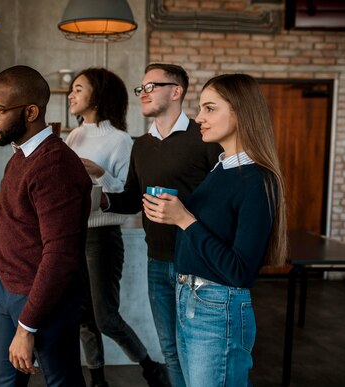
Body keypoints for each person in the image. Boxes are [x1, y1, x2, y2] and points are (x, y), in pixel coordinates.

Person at [142, 73, 287, 386]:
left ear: (239, 111)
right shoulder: (222, 168)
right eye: (200, 109)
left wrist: (184, 219)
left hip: (217, 309)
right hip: (193, 300)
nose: (199, 118)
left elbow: (240, 272)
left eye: (209, 109)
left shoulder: (257, 179)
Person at [103, 63, 222, 387]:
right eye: (140, 88)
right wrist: (101, 200)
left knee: (195, 349)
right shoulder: (140, 144)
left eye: (151, 86)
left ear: (176, 91)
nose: (143, 93)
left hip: (198, 263)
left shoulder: (205, 137)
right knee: (169, 348)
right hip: (157, 261)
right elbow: (131, 199)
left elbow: (224, 200)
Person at [0, 65, 91, 387]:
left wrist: (27, 325)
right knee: (3, 383)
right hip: (10, 291)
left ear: (30, 112)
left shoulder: (54, 165)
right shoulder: (20, 156)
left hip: (44, 300)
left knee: (62, 382)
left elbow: (60, 255)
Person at [66, 67, 166, 387]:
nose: (72, 94)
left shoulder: (122, 141)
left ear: (98, 95)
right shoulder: (73, 135)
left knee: (105, 319)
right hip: (73, 236)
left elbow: (126, 195)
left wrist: (99, 172)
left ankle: (151, 368)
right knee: (82, 316)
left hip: (102, 238)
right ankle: (97, 380)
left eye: (79, 89)